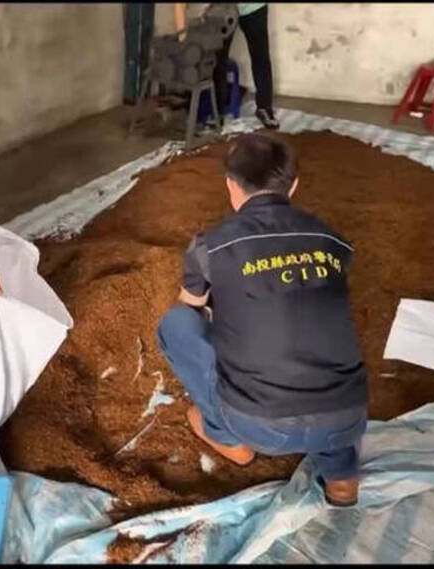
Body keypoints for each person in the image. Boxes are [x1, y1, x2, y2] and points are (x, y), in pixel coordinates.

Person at [156, 133, 368, 507]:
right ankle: (342, 477)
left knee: (176, 324)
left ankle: (227, 438)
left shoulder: (211, 245)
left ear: (230, 185)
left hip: (257, 426)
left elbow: (191, 307)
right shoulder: (332, 240)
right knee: (317, 333)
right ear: (294, 185)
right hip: (346, 420)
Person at [173, 3, 279, 129]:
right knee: (218, 60)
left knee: (260, 57)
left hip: (253, 7)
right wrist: (182, 39)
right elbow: (179, 6)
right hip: (222, 10)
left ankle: (264, 108)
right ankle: (218, 112)